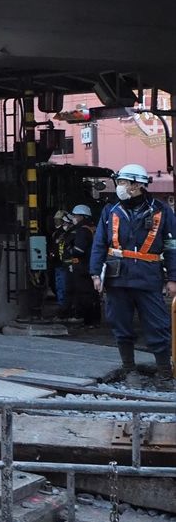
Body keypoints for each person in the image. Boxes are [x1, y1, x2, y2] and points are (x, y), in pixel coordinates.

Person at [90, 163, 176, 390]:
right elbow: (99, 243)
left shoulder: (160, 210)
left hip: (148, 278)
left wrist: (173, 278)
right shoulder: (110, 211)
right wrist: (95, 273)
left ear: (138, 185)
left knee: (158, 327)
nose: (119, 187)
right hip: (117, 279)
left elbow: (171, 246)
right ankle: (130, 371)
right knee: (121, 326)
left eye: (123, 183)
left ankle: (165, 375)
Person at [61, 204, 99, 323]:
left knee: (83, 294)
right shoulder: (93, 228)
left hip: (81, 266)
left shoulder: (82, 230)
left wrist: (70, 251)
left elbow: (79, 250)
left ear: (82, 216)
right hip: (91, 264)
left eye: (76, 215)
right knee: (92, 293)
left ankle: (86, 320)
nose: (74, 218)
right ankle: (93, 320)